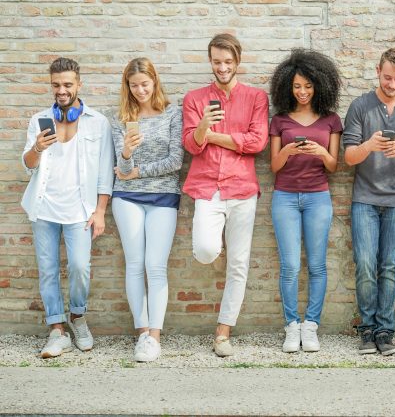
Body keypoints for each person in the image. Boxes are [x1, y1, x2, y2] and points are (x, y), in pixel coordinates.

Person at [182, 34, 269, 357]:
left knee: (239, 264)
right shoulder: (194, 99)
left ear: (238, 62)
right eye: (217, 62)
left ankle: (223, 332)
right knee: (206, 250)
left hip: (243, 189)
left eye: (228, 62)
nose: (222, 67)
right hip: (208, 187)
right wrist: (204, 126)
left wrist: (210, 136)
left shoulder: (256, 98)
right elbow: (192, 145)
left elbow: (257, 143)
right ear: (210, 61)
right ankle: (215, 244)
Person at [21, 57, 114, 358]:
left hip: (80, 210)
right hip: (44, 207)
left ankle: (78, 316)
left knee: (78, 267)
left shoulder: (97, 122)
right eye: (56, 85)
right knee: (48, 270)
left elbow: (104, 171)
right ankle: (57, 329)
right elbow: (27, 166)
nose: (61, 90)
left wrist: (100, 211)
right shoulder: (39, 120)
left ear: (79, 84)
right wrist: (36, 148)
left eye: (67, 84)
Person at [343, 48, 395, 356]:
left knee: (389, 265)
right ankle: (366, 328)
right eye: (388, 77)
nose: (393, 84)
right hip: (364, 197)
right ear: (377, 70)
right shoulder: (360, 106)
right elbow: (349, 157)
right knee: (365, 264)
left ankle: (385, 329)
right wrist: (369, 145)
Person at [268, 49, 343, 353]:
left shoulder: (331, 120)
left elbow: (334, 166)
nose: (302, 92)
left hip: (318, 197)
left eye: (308, 86)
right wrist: (287, 152)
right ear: (287, 86)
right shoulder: (280, 121)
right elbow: (274, 166)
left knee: (316, 265)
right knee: (288, 266)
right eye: (297, 86)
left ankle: (311, 325)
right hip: (285, 196)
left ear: (320, 85)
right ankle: (291, 326)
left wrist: (320, 152)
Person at [111, 58, 183, 362]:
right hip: (126, 198)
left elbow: (175, 161)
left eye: (144, 83)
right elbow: (120, 169)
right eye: (133, 85)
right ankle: (141, 333)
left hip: (164, 197)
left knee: (155, 266)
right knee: (135, 264)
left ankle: (155, 336)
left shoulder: (172, 113)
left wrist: (136, 171)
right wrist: (127, 151)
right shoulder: (119, 117)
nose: (140, 90)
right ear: (127, 86)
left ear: (155, 81)